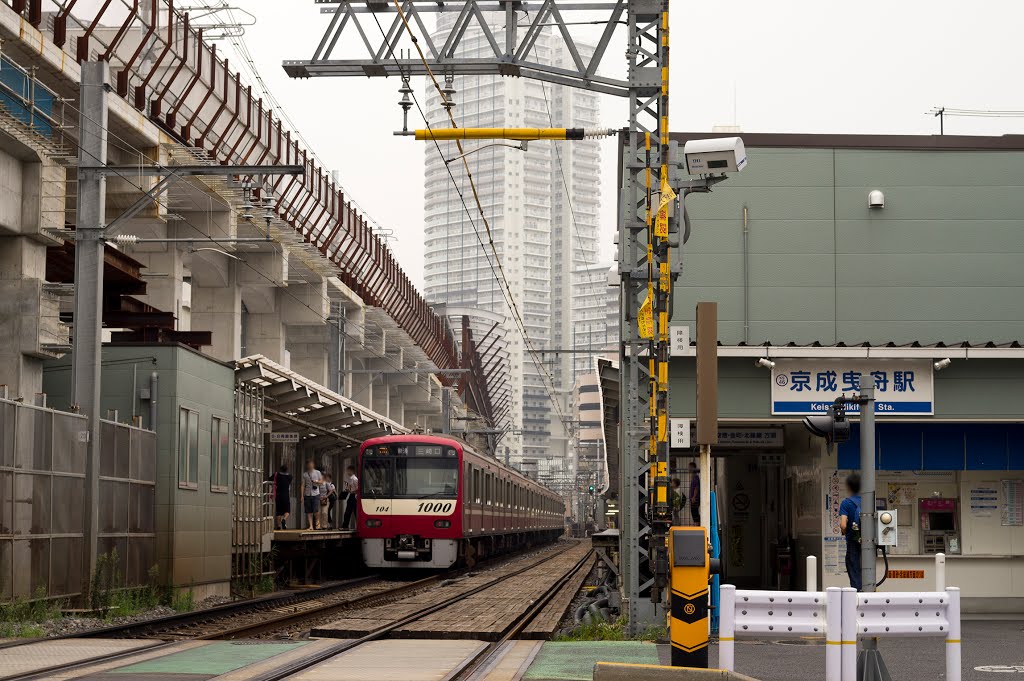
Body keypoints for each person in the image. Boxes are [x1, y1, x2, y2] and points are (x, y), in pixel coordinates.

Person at [839, 473, 863, 590]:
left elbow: (843, 524)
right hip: (867, 542)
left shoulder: (846, 503)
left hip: (853, 541)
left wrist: (844, 531)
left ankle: (857, 595)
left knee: (853, 567)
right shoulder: (868, 501)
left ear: (848, 487)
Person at [302, 459, 323, 530]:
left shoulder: (318, 472)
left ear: (313, 465)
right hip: (307, 494)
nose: (310, 465)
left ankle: (317, 523)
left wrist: (316, 481)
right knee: (309, 511)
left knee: (315, 510)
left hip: (316, 493)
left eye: (311, 464)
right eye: (308, 464)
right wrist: (302, 495)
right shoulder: (305, 474)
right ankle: (311, 526)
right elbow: (302, 485)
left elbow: (322, 482)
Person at [272, 464, 292, 530]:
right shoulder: (289, 476)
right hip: (286, 495)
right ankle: (284, 519)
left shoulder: (276, 475)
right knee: (287, 510)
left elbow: (270, 479)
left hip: (278, 494)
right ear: (287, 470)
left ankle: (278, 526)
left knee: (279, 511)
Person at [342, 465, 359, 530]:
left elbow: (358, 489)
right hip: (351, 496)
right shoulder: (350, 479)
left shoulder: (355, 479)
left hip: (354, 497)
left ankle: (358, 526)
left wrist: (351, 492)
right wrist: (348, 489)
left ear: (351, 471)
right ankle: (345, 526)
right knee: (348, 511)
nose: (347, 472)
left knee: (355, 512)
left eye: (348, 470)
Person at [688, 461, 701, 525]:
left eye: (690, 467)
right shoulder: (694, 477)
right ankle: (696, 525)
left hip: (695, 499)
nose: (688, 469)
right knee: (694, 512)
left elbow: (697, 487)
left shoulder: (696, 477)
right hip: (694, 498)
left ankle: (697, 525)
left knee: (695, 512)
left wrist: (694, 497)